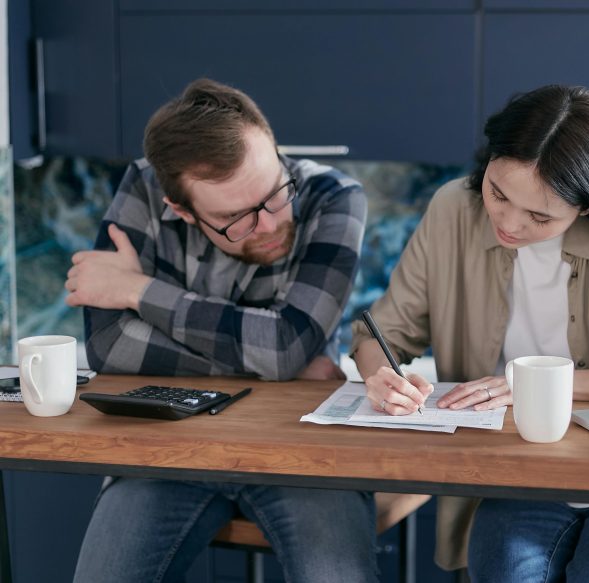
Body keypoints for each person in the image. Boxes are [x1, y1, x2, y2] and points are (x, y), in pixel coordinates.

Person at [351, 85, 589, 582]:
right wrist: (379, 377)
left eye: (540, 216)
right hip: (514, 476)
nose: (507, 222)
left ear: (587, 206)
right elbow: (383, 332)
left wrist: (546, 386)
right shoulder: (453, 211)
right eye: (498, 193)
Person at [65, 78, 377, 583]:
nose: (271, 224)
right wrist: (278, 365)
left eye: (275, 194)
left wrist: (138, 291)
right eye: (237, 218)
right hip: (163, 445)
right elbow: (109, 344)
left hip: (302, 449)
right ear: (181, 211)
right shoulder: (145, 188)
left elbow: (284, 345)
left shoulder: (333, 196)